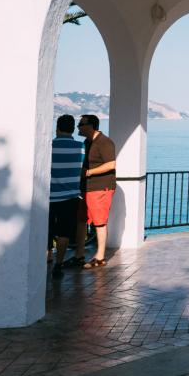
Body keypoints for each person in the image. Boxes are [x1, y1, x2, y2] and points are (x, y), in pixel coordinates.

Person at [76, 114, 116, 268]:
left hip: (100, 188)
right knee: (81, 220)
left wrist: (88, 173)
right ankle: (79, 255)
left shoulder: (104, 142)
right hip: (86, 188)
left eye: (81, 123)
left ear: (91, 126)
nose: (78, 126)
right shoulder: (88, 142)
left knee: (99, 222)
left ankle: (100, 257)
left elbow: (111, 164)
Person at [48, 115, 83, 278]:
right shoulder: (80, 147)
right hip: (70, 198)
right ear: (73, 128)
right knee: (64, 233)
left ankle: (46, 259)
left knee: (46, 230)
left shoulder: (49, 147)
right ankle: (58, 264)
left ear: (58, 128)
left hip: (49, 197)